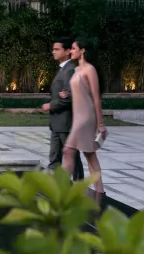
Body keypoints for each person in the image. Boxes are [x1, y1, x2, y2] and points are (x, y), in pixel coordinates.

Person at [62, 38, 107, 194]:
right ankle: (100, 191)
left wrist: (100, 124)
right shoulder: (76, 71)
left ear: (82, 50)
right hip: (77, 118)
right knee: (89, 154)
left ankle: (61, 188)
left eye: (74, 48)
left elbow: (95, 97)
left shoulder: (90, 69)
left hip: (87, 118)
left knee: (68, 150)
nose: (71, 51)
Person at [43, 37, 84, 180]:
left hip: (65, 122)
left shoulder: (69, 70)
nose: (53, 52)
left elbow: (70, 96)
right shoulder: (63, 69)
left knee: (71, 155)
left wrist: (51, 105)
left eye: (57, 49)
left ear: (67, 51)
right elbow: (63, 94)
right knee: (54, 158)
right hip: (57, 122)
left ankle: (79, 185)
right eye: (53, 49)